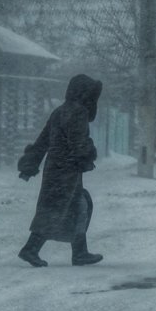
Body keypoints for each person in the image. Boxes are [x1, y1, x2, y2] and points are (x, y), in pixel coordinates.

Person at [17, 74, 104, 267]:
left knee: (76, 207)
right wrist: (88, 153)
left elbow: (42, 141)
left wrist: (30, 165)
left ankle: (80, 253)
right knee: (56, 210)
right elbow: (78, 143)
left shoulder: (59, 111)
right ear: (83, 94)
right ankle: (30, 249)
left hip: (54, 168)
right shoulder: (79, 112)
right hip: (67, 170)